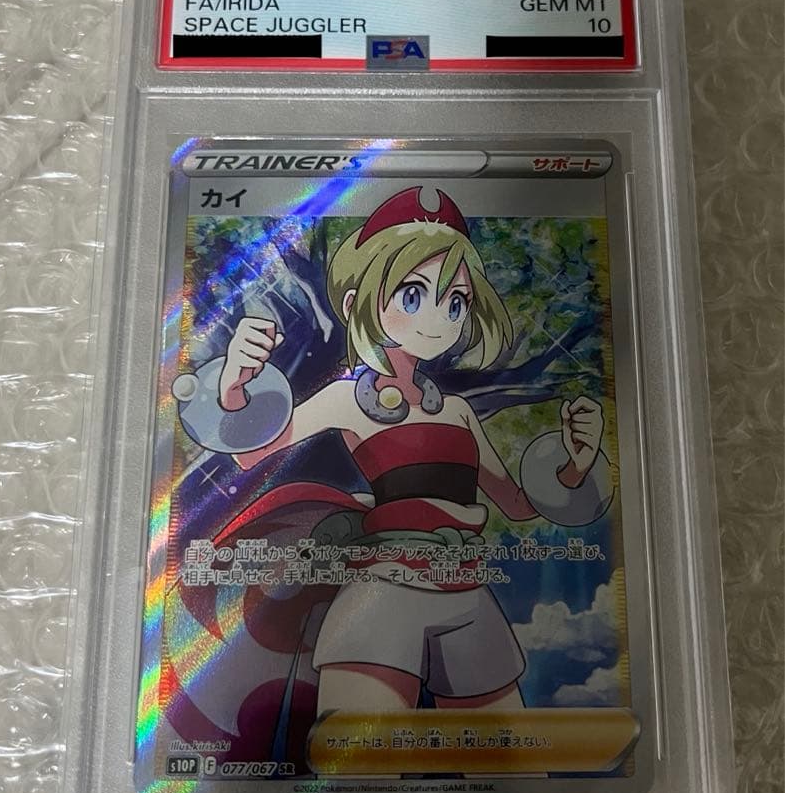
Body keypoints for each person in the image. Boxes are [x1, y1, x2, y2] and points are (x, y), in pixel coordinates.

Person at [211, 186, 611, 720]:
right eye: (413, 295)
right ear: (356, 304)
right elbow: (250, 454)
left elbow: (516, 505)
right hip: (386, 590)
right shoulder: (347, 398)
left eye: (456, 302)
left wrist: (576, 465)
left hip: (468, 593)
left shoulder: (457, 411)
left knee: (510, 758)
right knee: (355, 758)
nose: (439, 319)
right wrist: (235, 385)